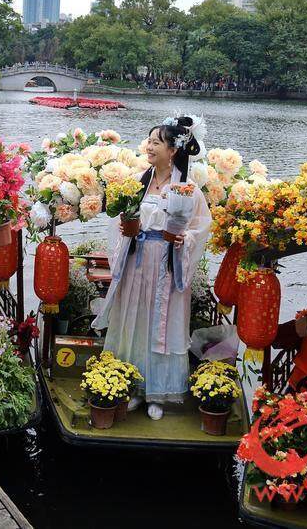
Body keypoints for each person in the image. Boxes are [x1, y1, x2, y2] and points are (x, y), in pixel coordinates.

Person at [93, 115, 212, 420]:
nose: (149, 146)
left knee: (161, 323)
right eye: (149, 140)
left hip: (167, 264)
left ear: (173, 150)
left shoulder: (186, 189)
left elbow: (201, 226)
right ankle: (131, 386)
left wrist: (185, 237)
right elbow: (118, 219)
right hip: (136, 259)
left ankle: (156, 392)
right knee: (135, 318)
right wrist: (124, 229)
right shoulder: (137, 183)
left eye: (156, 142)